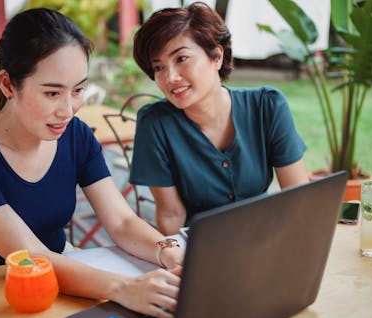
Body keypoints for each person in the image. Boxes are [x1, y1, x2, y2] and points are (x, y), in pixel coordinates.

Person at [0, 8, 183, 318]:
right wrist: (125, 288)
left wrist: (168, 250)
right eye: (52, 93)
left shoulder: (76, 136)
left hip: (65, 282)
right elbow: (30, 256)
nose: (68, 110)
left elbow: (121, 222)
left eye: (78, 90)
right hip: (0, 300)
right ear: (9, 84)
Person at [130, 2, 309, 236]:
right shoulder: (154, 123)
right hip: (200, 248)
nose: (170, 77)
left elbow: (298, 198)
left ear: (216, 56)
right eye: (158, 67)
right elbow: (170, 213)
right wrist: (176, 262)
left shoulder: (267, 105)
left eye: (181, 58)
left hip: (267, 238)